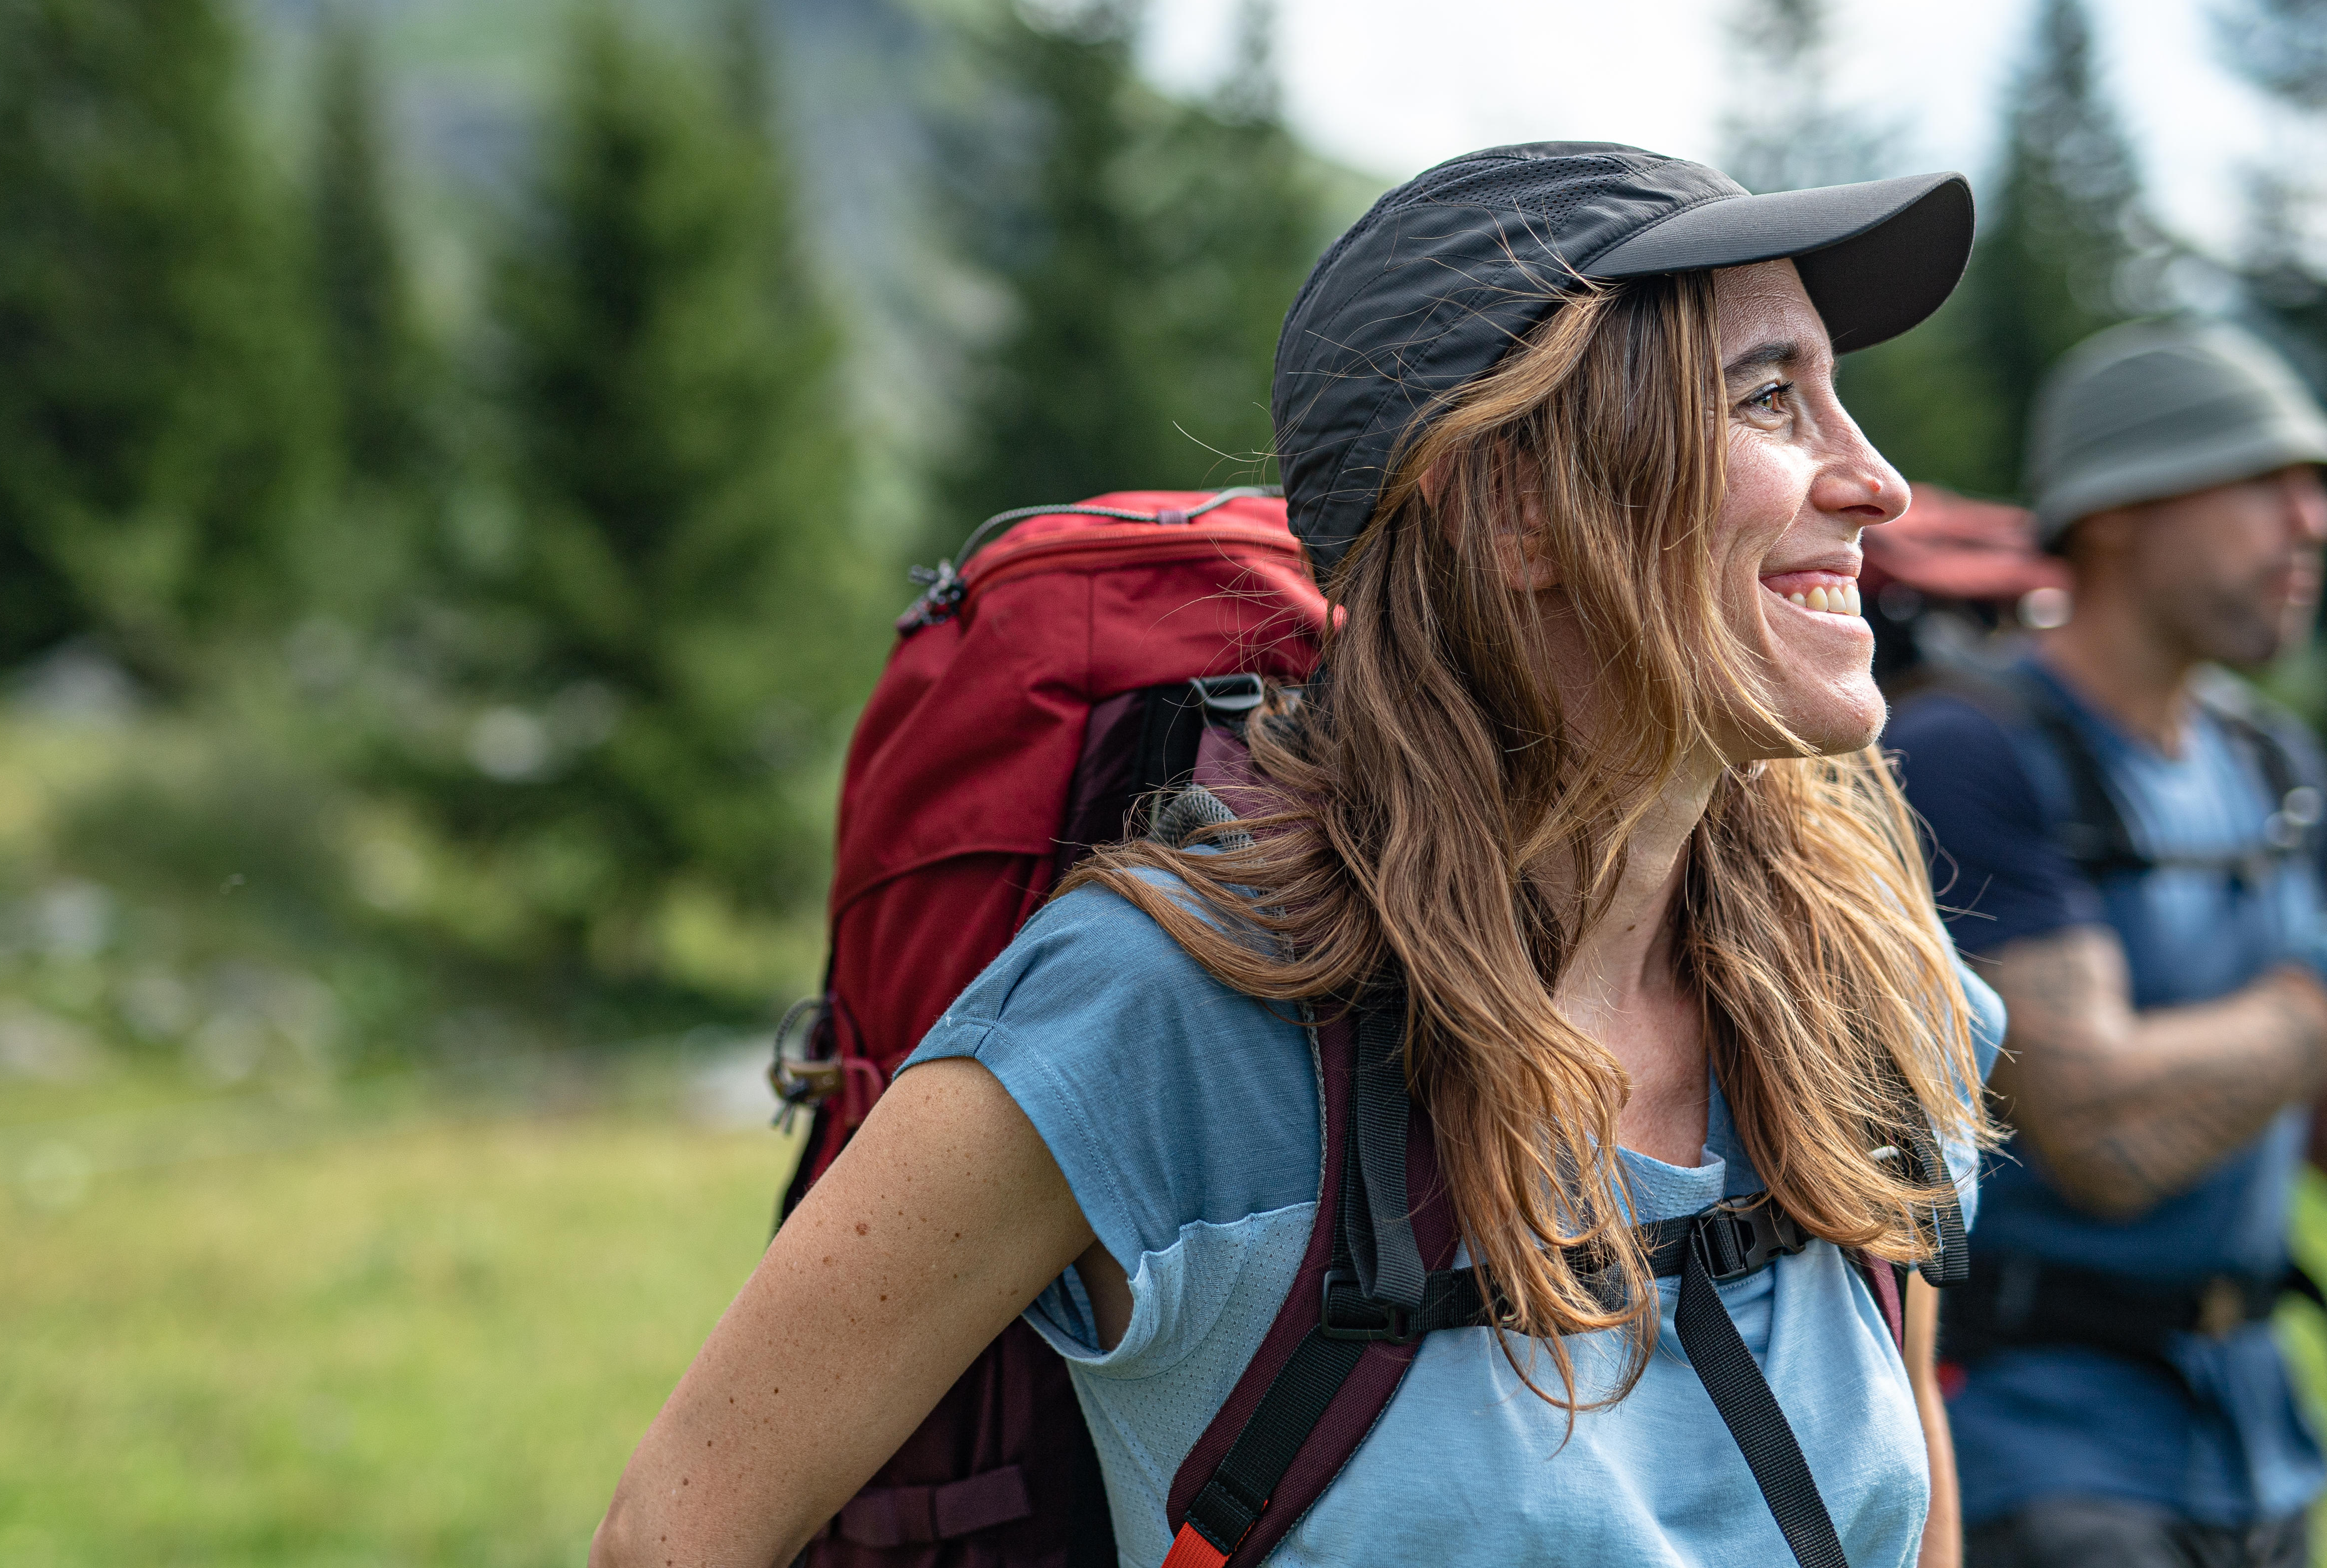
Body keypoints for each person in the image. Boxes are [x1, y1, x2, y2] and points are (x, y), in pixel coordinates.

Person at [594, 143, 2003, 1568]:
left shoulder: (1866, 981)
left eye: (1838, 395)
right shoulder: (1160, 1019)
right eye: (1770, 398)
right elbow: (675, 1534)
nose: (1879, 483)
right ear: (1514, 508)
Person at [1883, 322, 2327, 1568]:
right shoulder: (1973, 752)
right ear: (2121, 508)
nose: (2311, 524)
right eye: (2267, 484)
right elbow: (2105, 1140)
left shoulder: (2271, 761)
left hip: (2256, 1442)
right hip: (2048, 1458)